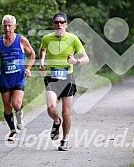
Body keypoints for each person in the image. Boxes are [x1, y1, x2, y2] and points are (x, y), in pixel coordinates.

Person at [39, 13, 89, 151]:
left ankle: (65, 140)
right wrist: (42, 61)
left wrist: (76, 61)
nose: (59, 25)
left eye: (62, 22)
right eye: (56, 22)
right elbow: (42, 49)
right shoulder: (46, 38)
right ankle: (56, 122)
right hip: (51, 78)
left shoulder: (73, 39)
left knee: (66, 113)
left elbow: (86, 58)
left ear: (66, 24)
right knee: (51, 108)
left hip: (67, 78)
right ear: (53, 24)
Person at [0, 14, 35, 141]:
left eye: (10, 25)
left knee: (16, 103)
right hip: (5, 78)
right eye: (5, 26)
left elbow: (32, 54)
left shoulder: (21, 40)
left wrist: (28, 69)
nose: (7, 28)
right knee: (7, 107)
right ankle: (12, 131)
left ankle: (19, 115)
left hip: (18, 77)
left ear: (15, 26)